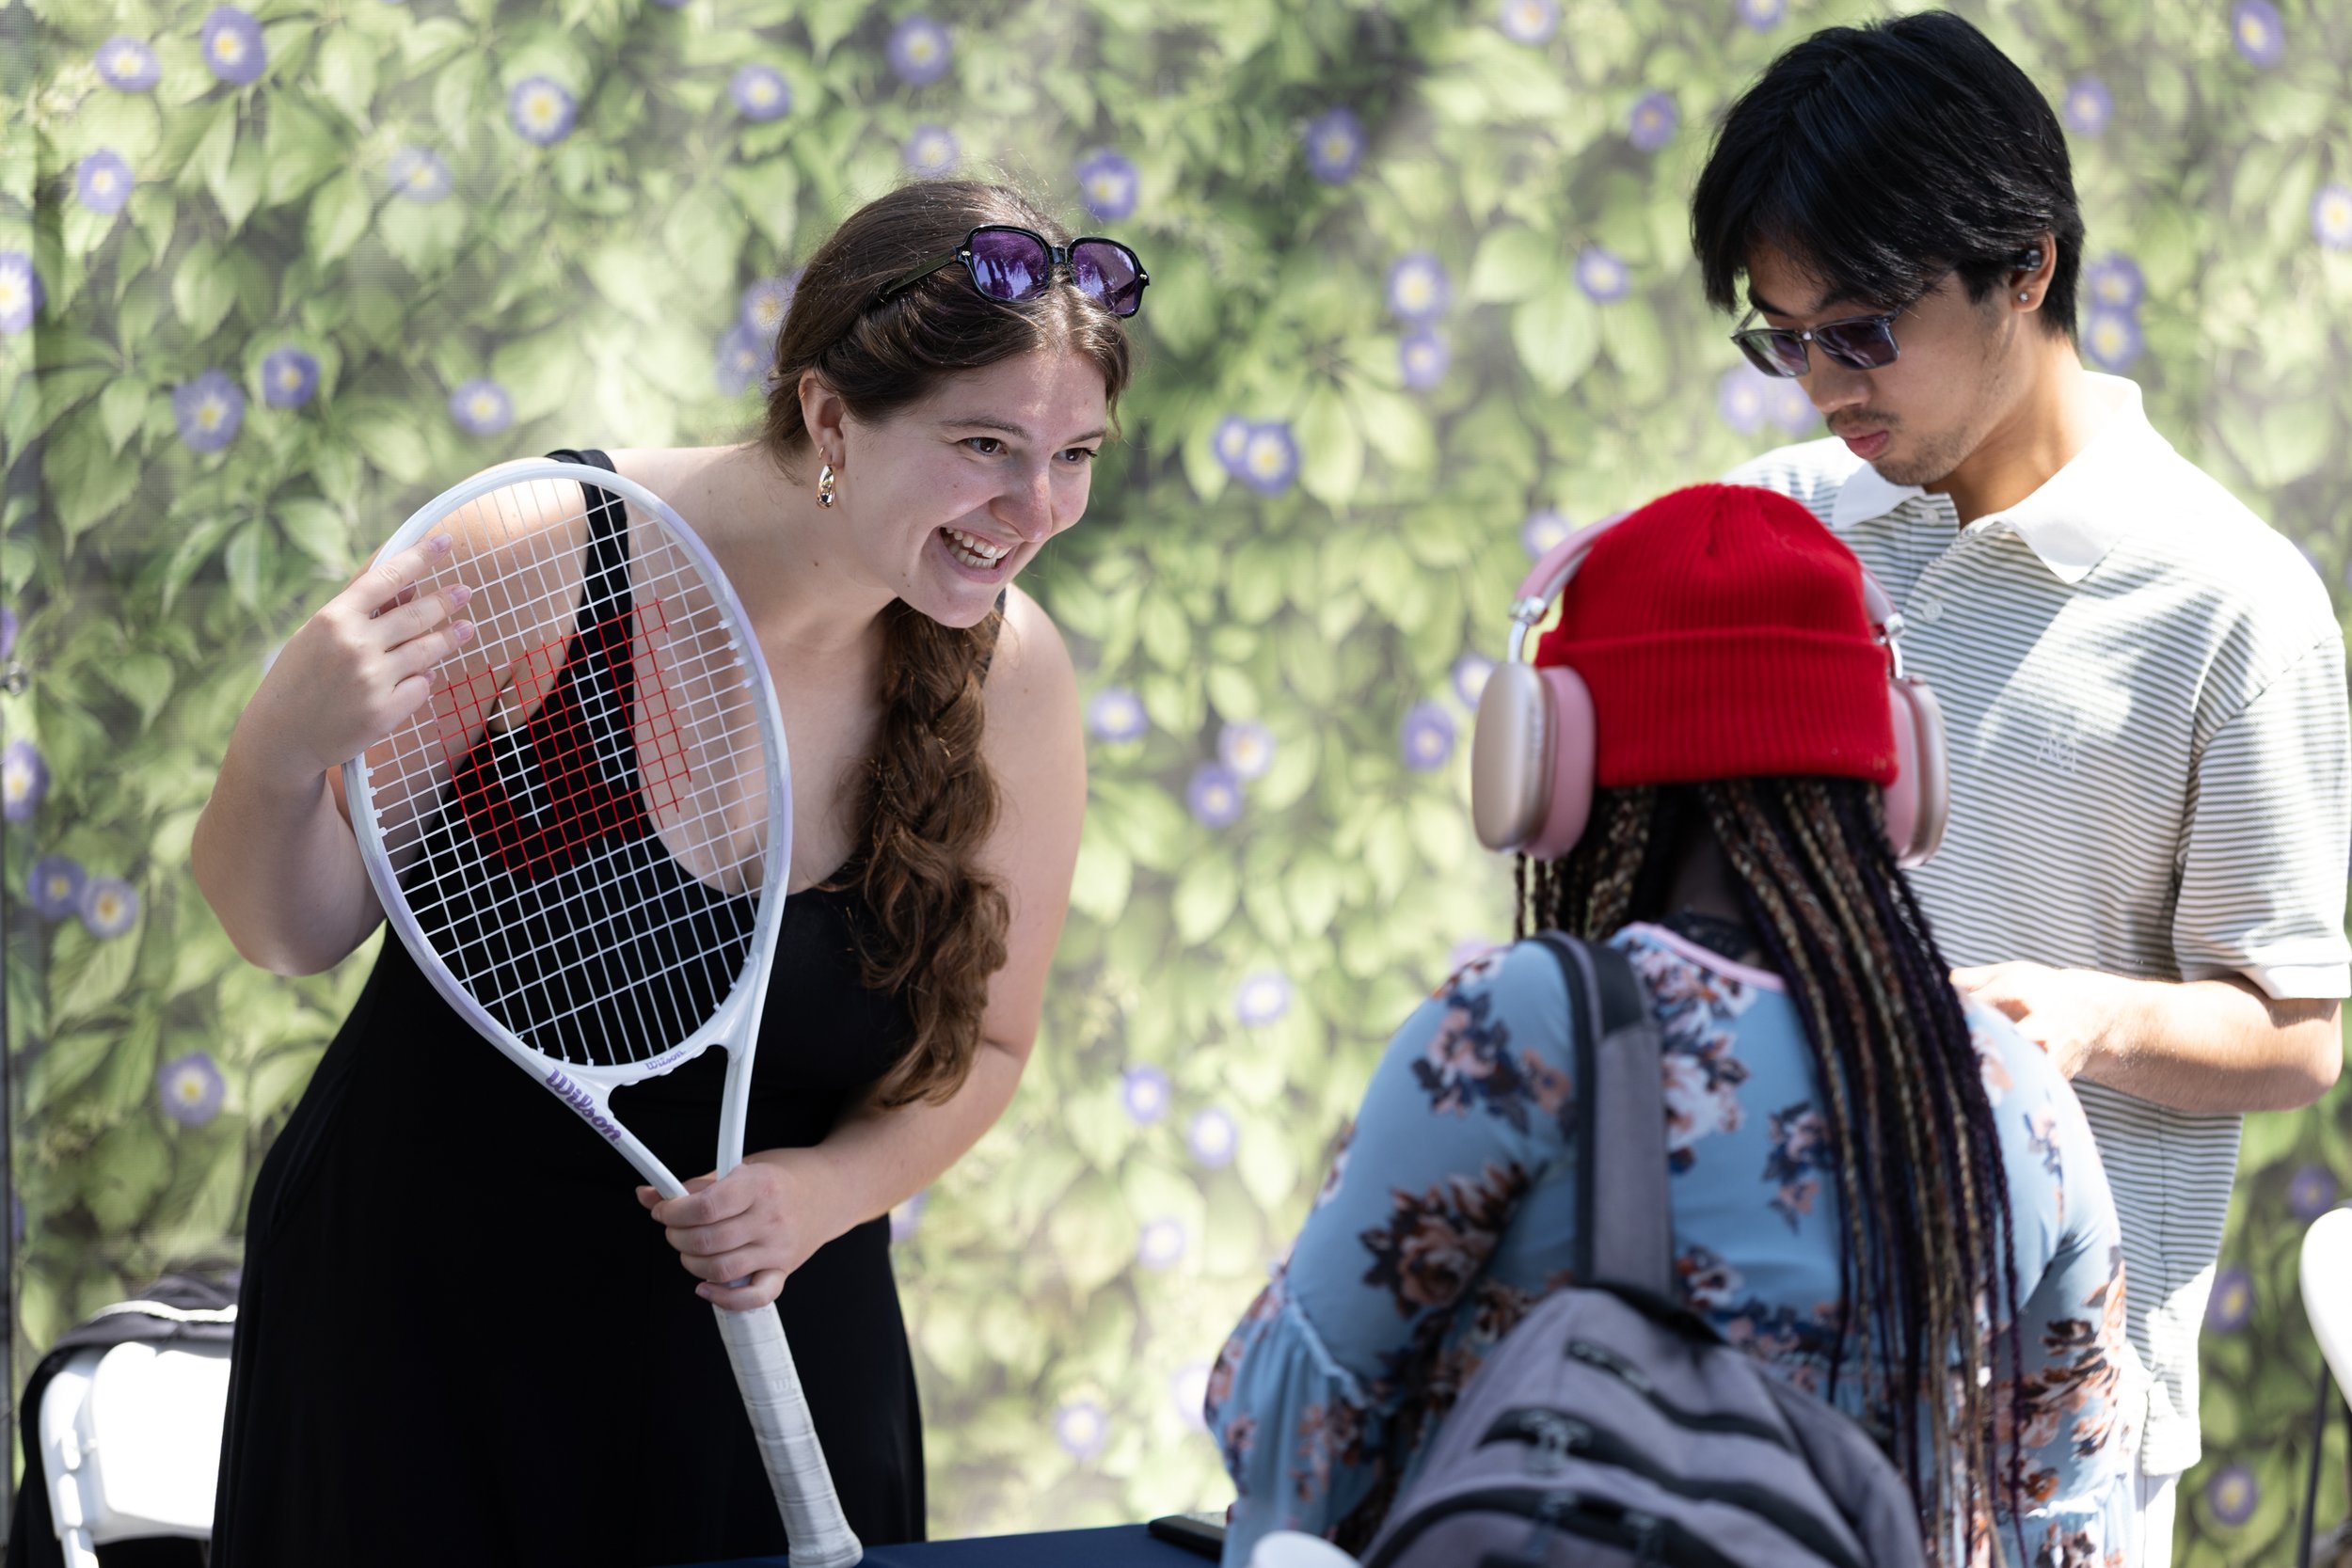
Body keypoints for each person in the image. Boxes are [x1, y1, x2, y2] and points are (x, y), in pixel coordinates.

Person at [190, 180, 1139, 1564]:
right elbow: (291, 928)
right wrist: (279, 748)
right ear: (827, 417)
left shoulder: (1016, 676)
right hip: (418, 1345)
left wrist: (818, 1194)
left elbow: (988, 1046)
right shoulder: (540, 555)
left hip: (772, 1351)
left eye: (1076, 452)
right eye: (986, 442)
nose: (1035, 505)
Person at [1690, 14, 2349, 1561]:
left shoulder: (2233, 599)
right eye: (1779, 336)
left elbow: (2298, 1030)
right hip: (1746, 1371)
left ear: (2027, 267)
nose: (1818, 384)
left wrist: (2087, 1017)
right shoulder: (1767, 530)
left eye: (1857, 329)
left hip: (2051, 1426)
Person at [1205, 484, 2138, 1566]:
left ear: (1545, 760)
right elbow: (2063, 1512)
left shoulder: (1519, 1032)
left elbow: (1285, 1431)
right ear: (1894, 766)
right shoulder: (2012, 1092)